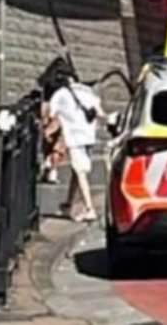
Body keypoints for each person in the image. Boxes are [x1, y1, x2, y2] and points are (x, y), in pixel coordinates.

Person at [47, 65, 104, 223]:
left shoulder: (60, 94)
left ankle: (89, 208)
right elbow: (99, 112)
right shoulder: (87, 90)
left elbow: (51, 115)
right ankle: (69, 204)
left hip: (75, 137)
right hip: (89, 136)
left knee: (80, 172)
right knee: (77, 170)